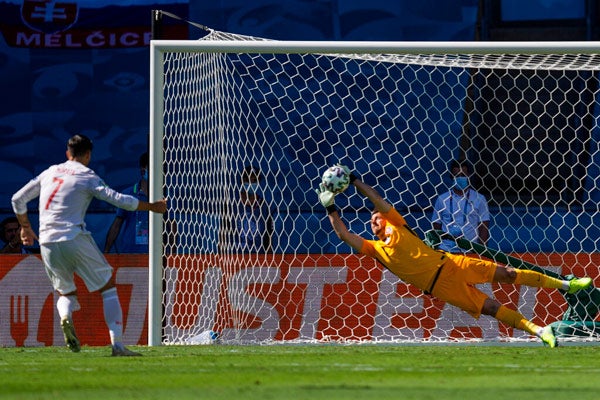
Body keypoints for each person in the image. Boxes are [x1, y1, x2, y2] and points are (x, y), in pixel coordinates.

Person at [316, 164, 592, 348]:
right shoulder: (375, 249)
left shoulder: (398, 225)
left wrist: (354, 181)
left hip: (452, 262)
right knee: (492, 308)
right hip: (441, 286)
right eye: (372, 222)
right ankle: (541, 332)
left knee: (508, 274)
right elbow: (343, 235)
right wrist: (331, 208)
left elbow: (377, 200)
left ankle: (568, 285)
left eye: (377, 217)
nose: (374, 219)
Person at [11, 134, 167, 356]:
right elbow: (118, 199)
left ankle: (65, 317)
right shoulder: (87, 175)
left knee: (65, 294)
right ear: (87, 155)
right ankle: (117, 345)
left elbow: (17, 199)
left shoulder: (49, 172)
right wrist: (152, 207)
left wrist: (25, 228)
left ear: (68, 153)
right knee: (107, 288)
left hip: (47, 241)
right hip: (74, 237)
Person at [104, 152, 176, 254]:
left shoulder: (166, 196)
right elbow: (117, 224)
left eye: (160, 167)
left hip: (157, 255)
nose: (157, 171)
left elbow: (172, 226)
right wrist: (106, 251)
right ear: (143, 170)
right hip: (130, 253)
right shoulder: (128, 194)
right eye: (152, 167)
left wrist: (172, 254)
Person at [432, 159, 489, 253]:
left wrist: (482, 252)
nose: (460, 178)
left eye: (463, 175)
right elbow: (436, 225)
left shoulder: (479, 199)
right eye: (457, 176)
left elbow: (484, 227)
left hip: (470, 250)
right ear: (451, 177)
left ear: (468, 176)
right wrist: (437, 248)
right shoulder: (442, 199)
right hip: (446, 251)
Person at [219, 165, 273, 254]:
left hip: (258, 259)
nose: (251, 183)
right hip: (236, 257)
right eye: (248, 180)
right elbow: (223, 232)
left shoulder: (264, 206)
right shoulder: (231, 204)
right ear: (242, 181)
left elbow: (269, 237)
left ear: (259, 182)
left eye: (254, 180)